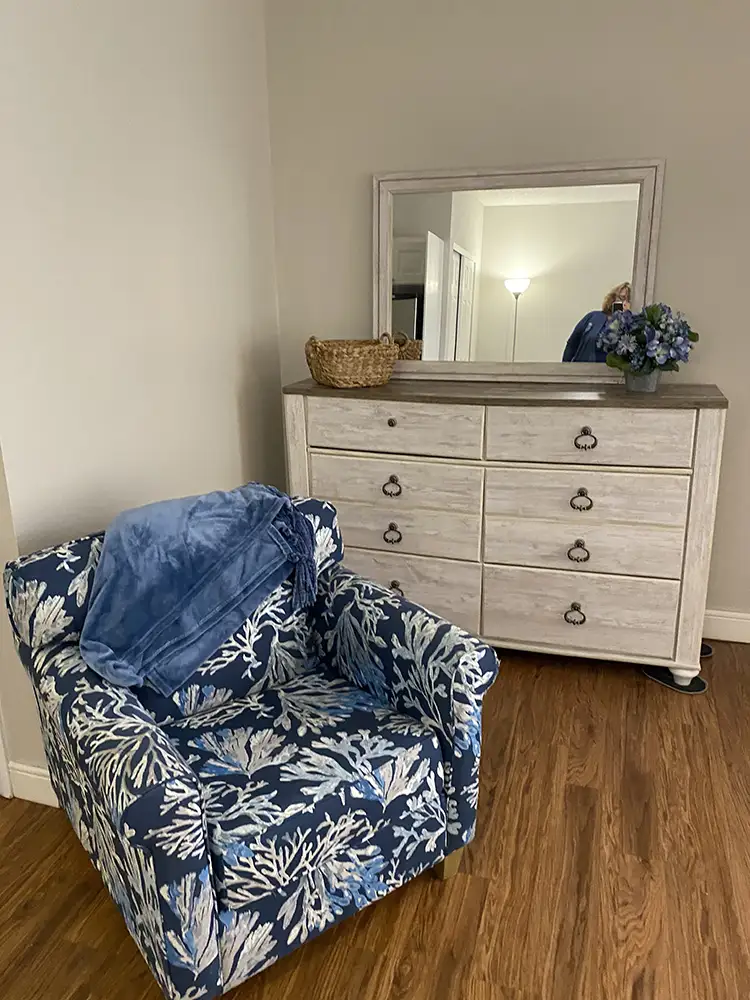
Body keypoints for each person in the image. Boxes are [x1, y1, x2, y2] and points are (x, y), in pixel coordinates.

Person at [562, 282, 631, 362]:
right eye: (621, 298)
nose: (624, 302)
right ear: (613, 298)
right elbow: (572, 344)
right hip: (581, 369)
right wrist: (565, 368)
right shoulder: (593, 316)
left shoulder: (631, 325)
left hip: (609, 372)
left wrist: (626, 317)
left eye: (628, 300)